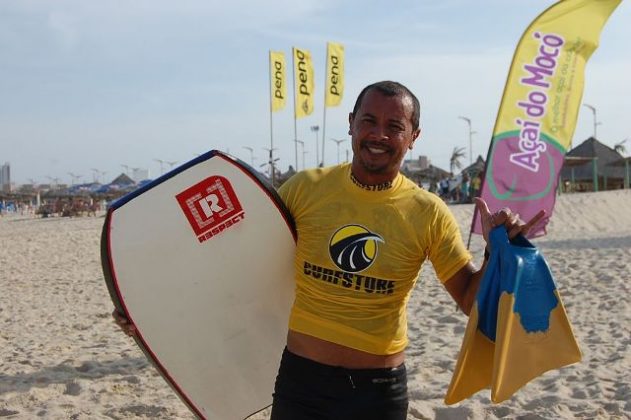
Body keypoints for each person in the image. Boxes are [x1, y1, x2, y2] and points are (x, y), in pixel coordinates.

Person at [113, 81, 544, 420]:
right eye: (369, 121)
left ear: (413, 136)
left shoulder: (427, 212)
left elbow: (471, 301)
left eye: (394, 126)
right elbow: (231, 261)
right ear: (351, 122)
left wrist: (496, 253)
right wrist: (149, 314)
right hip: (303, 383)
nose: (379, 134)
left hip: (379, 391)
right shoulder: (305, 189)